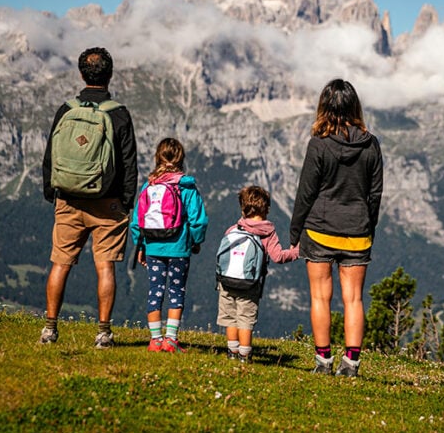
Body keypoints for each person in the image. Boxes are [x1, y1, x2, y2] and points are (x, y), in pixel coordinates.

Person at [40, 47, 138, 348]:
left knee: (60, 263)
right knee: (105, 266)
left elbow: (50, 155)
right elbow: (129, 162)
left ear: (82, 74)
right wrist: (126, 202)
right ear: (109, 75)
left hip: (69, 199)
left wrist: (51, 191)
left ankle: (50, 329)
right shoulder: (118, 113)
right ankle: (103, 333)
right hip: (107, 204)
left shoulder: (66, 109)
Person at [290, 79, 383, 377]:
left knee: (320, 296)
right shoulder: (371, 144)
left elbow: (306, 192)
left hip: (319, 229)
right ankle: (352, 364)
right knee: (353, 298)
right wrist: (368, 226)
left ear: (324, 107)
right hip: (357, 230)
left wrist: (295, 232)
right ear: (354, 106)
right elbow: (375, 194)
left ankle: (323, 361)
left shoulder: (318, 144)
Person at [130, 137, 208, 353]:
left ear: (157, 158)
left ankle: (155, 340)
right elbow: (198, 220)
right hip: (179, 247)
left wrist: (141, 245)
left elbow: (136, 222)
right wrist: (195, 242)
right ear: (181, 159)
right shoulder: (186, 186)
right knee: (176, 291)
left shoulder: (148, 186)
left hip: (153, 247)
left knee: (155, 291)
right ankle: (171, 340)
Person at [217, 185, 298, 362]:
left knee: (230, 317)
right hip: (250, 282)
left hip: (226, 280)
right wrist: (296, 251)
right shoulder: (267, 232)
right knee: (245, 318)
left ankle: (232, 352)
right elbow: (278, 257)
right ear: (266, 209)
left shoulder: (233, 229)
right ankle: (245, 355)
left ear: (243, 207)